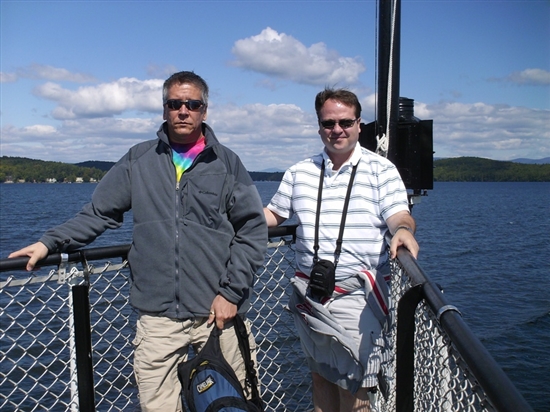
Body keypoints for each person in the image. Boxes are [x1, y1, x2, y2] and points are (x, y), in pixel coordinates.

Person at [9, 71, 268, 412]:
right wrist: (49, 243)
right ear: (164, 110)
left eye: (192, 104)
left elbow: (252, 230)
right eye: (175, 104)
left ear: (205, 110)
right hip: (158, 318)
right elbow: (98, 213)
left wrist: (231, 293)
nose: (183, 111)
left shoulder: (227, 163)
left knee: (232, 406)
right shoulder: (139, 159)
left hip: (217, 314)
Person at [264, 88, 419, 412]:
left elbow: (399, 215)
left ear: (359, 124)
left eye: (345, 122)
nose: (337, 130)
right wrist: (225, 217)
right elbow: (272, 216)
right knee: (321, 376)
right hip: (311, 293)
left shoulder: (381, 170)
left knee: (355, 388)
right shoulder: (299, 172)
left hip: (355, 297)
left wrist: (403, 231)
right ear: (319, 126)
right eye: (329, 123)